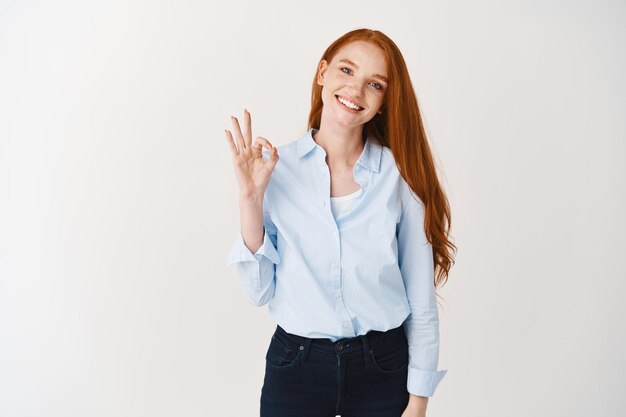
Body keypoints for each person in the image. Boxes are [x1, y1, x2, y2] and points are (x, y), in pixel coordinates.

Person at [225, 28, 456, 417]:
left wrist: (418, 401)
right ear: (322, 73)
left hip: (382, 368)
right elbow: (258, 291)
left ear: (384, 102)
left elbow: (420, 300)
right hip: (295, 368)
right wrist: (251, 198)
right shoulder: (274, 170)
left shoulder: (399, 179)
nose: (356, 89)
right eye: (346, 70)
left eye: (375, 84)